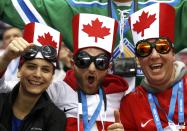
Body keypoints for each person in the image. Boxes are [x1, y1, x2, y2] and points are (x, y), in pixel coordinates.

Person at [0, 14, 127, 131]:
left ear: (108, 67)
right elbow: (7, 88)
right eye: (83, 60)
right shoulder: (57, 90)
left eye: (101, 62)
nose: (92, 68)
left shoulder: (121, 96)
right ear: (73, 64)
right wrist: (5, 59)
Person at [120, 3, 187, 130]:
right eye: (144, 49)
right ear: (139, 59)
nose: (154, 55)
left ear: (173, 53)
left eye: (162, 47)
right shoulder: (130, 104)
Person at [0, 22, 66, 131]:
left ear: (52, 77)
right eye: (31, 67)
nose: (37, 74)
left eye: (45, 70)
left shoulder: (56, 118)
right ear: (19, 71)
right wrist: (6, 58)